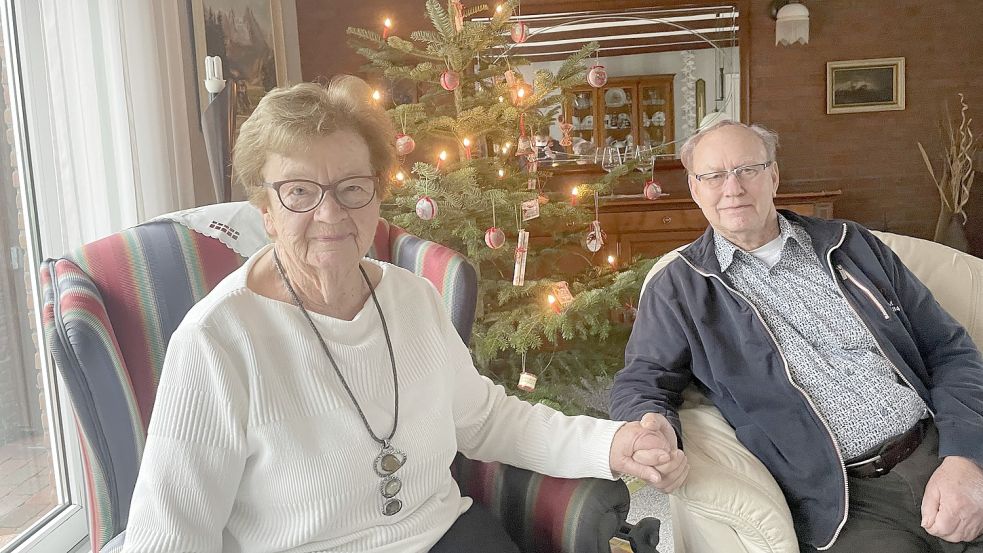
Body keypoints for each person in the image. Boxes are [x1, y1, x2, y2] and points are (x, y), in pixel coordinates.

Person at [118, 75, 676, 553]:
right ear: (264, 209)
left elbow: (483, 420)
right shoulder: (217, 340)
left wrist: (610, 443)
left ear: (378, 195)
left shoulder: (411, 298)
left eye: (352, 187)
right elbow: (168, 534)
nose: (330, 212)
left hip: (447, 538)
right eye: (298, 191)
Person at [610, 120, 983, 552]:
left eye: (748, 169)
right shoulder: (680, 288)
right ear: (695, 189)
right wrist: (649, 428)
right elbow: (643, 379)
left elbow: (948, 348)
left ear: (773, 176)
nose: (732, 188)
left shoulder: (851, 245)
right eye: (713, 176)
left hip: (937, 447)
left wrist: (966, 457)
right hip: (842, 500)